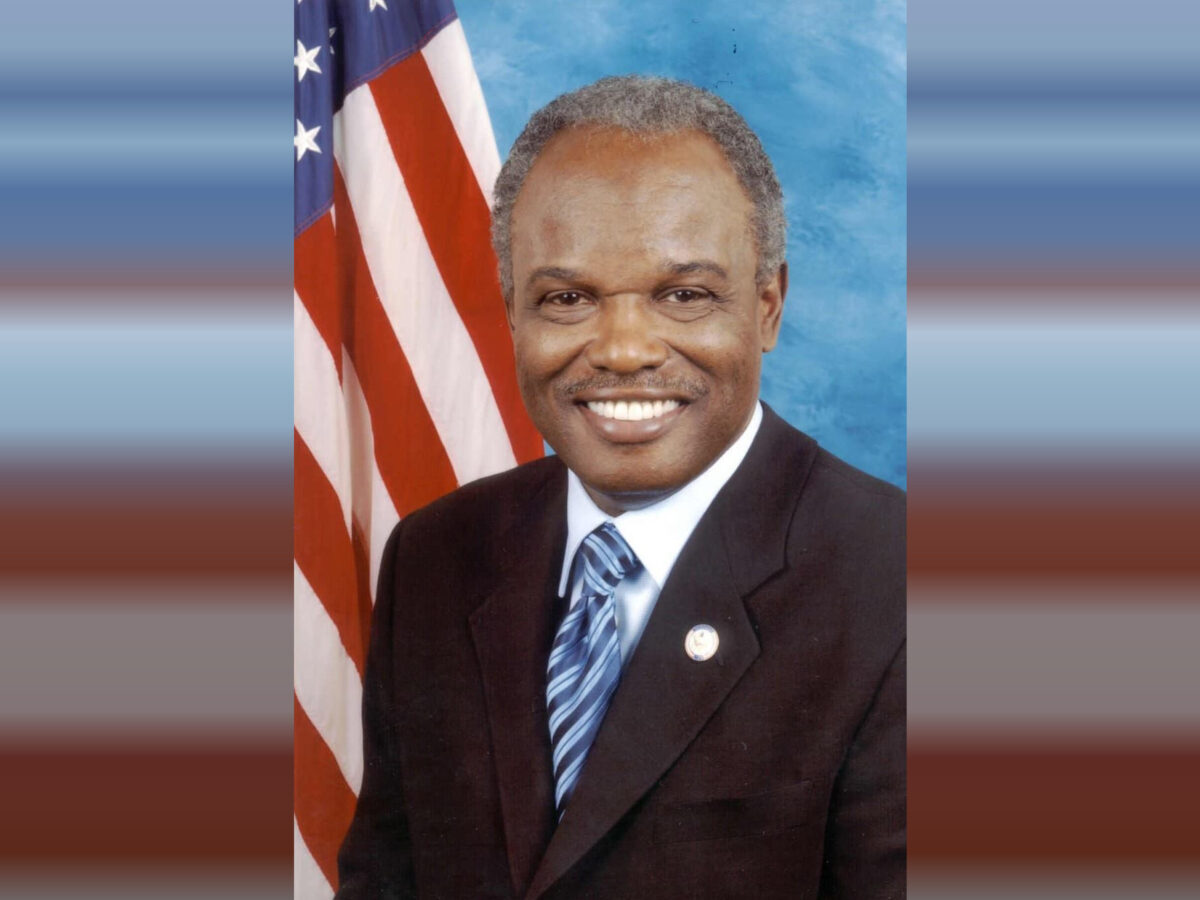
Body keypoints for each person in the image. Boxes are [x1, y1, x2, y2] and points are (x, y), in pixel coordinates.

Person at [336, 75, 905, 900]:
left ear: (768, 306)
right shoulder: (436, 556)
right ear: (513, 312)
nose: (625, 349)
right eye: (567, 298)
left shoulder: (898, 583)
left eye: (684, 295)